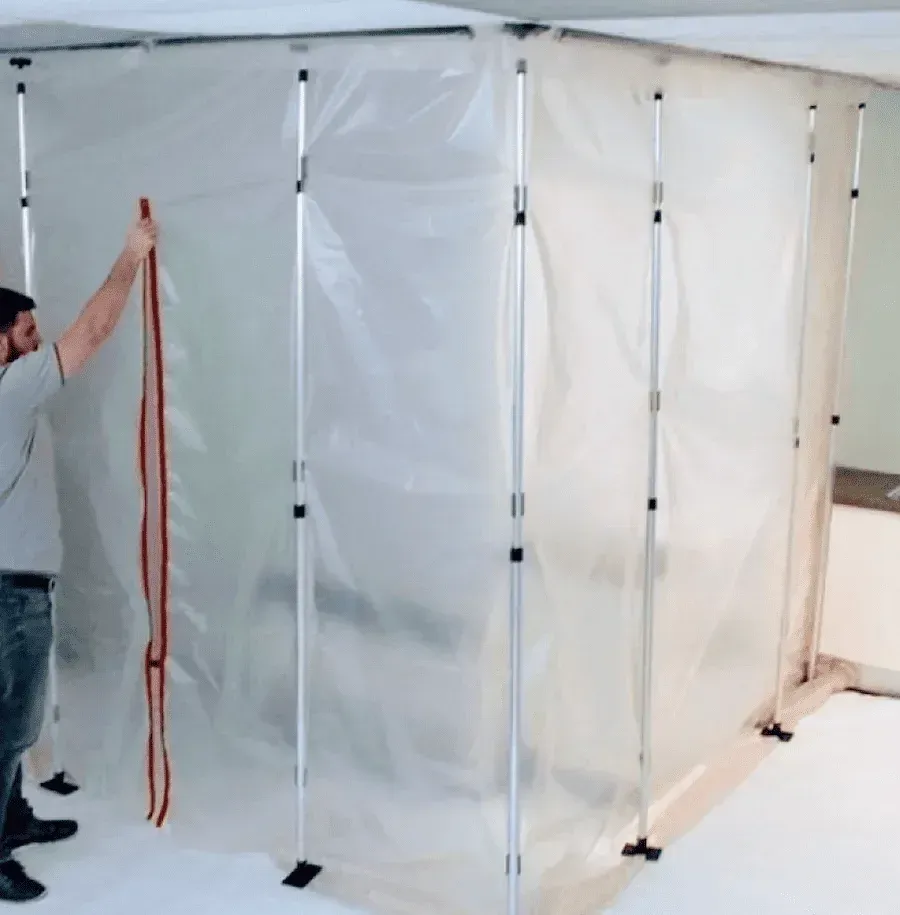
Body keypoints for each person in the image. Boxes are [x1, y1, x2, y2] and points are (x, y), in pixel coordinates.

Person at [0, 207, 158, 903]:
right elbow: (91, 333)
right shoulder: (10, 390)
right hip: (11, 590)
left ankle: (13, 818)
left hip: (15, 584)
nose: (37, 339)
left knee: (11, 721)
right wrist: (130, 257)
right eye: (26, 329)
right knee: (12, 724)